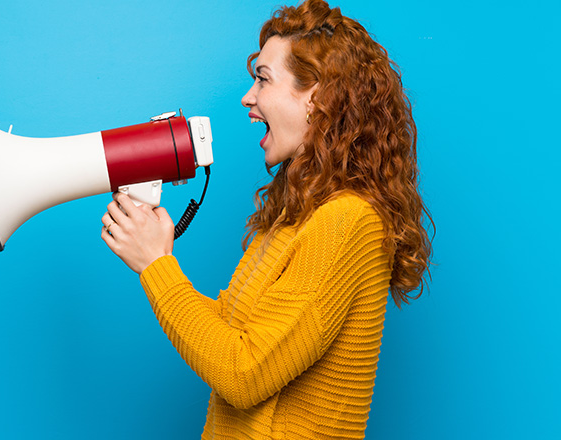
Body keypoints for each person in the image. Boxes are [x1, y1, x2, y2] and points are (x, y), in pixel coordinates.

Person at [100, 0, 434, 438]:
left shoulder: (350, 222)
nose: (248, 97)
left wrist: (158, 267)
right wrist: (156, 255)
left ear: (318, 98)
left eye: (263, 78)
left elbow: (244, 374)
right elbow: (232, 336)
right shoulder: (300, 215)